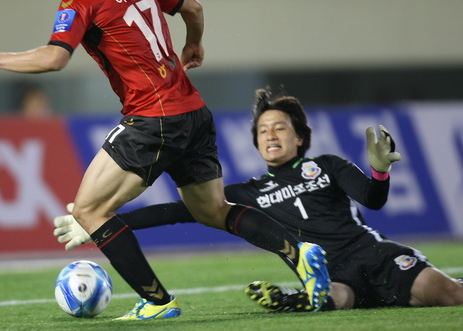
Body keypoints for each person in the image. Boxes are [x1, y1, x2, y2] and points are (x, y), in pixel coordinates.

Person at [0, 0, 330, 320]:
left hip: (154, 117)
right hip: (193, 112)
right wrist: (194, 43)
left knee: (89, 211)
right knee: (213, 210)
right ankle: (299, 253)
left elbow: (54, 58)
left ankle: (157, 302)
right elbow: (193, 7)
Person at [54, 87, 463, 311]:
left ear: (299, 137)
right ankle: (292, 300)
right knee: (333, 300)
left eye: (280, 128)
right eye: (263, 130)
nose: (270, 134)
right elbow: (177, 212)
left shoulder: (328, 165)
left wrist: (380, 171)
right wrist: (103, 220)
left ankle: (296, 299)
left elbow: (373, 200)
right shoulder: (246, 194)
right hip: (331, 275)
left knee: (450, 296)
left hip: (374, 255)